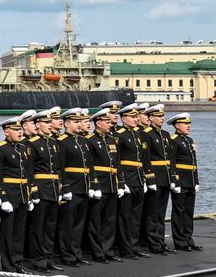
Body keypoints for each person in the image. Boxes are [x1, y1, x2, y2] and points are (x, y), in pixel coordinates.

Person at [26, 110, 63, 273]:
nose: (50, 125)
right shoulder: (32, 144)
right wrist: (33, 192)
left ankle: (48, 257)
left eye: (50, 123)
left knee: (50, 226)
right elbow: (29, 170)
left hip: (53, 188)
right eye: (46, 123)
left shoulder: (54, 143)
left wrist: (61, 187)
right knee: (38, 226)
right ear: (37, 125)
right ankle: (37, 259)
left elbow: (58, 168)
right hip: (41, 188)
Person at [56, 108, 93, 266]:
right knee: (67, 225)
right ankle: (67, 255)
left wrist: (91, 185)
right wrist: (64, 188)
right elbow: (60, 167)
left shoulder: (84, 141)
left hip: (83, 187)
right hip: (71, 188)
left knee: (79, 224)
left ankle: (77, 253)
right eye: (76, 122)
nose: (79, 125)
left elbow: (89, 166)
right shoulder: (62, 142)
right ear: (66, 124)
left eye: (80, 122)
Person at [0, 116, 31, 273]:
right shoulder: (1, 149)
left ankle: (17, 261)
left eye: (20, 129)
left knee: (19, 232)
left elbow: (27, 174)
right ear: (6, 131)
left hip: (23, 194)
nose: (20, 132)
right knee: (7, 232)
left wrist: (29, 196)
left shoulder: (23, 148)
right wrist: (3, 197)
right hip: (9, 195)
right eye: (16, 130)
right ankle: (7, 264)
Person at [113, 104, 150, 260]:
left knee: (136, 217)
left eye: (137, 117)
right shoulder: (119, 135)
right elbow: (117, 161)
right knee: (125, 217)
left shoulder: (138, 135)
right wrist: (121, 182)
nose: (136, 119)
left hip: (138, 179)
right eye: (133, 117)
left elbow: (142, 160)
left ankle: (134, 246)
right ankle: (125, 248)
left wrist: (145, 179)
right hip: (127, 180)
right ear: (124, 118)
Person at [86, 106, 122, 263]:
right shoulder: (90, 140)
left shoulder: (112, 140)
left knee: (109, 220)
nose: (110, 124)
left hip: (112, 184)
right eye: (106, 121)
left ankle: (107, 249)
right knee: (95, 221)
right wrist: (93, 185)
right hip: (99, 185)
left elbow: (117, 164)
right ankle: (97, 252)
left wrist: (120, 183)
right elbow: (90, 165)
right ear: (98, 123)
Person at [141, 104, 174, 254]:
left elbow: (170, 158)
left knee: (161, 214)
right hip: (155, 176)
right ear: (151, 118)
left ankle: (160, 241)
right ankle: (153, 243)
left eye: (162, 116)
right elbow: (146, 158)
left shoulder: (165, 134)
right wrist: (150, 179)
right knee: (152, 214)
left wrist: (173, 177)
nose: (162, 119)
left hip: (165, 177)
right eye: (159, 116)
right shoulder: (146, 134)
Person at [167, 113, 203, 251]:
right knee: (179, 211)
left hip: (191, 181)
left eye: (189, 124)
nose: (188, 126)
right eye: (185, 124)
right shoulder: (173, 140)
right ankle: (180, 241)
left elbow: (193, 163)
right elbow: (171, 163)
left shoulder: (189, 140)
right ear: (177, 125)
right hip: (180, 181)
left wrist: (197, 180)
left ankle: (188, 239)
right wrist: (174, 181)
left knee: (188, 212)